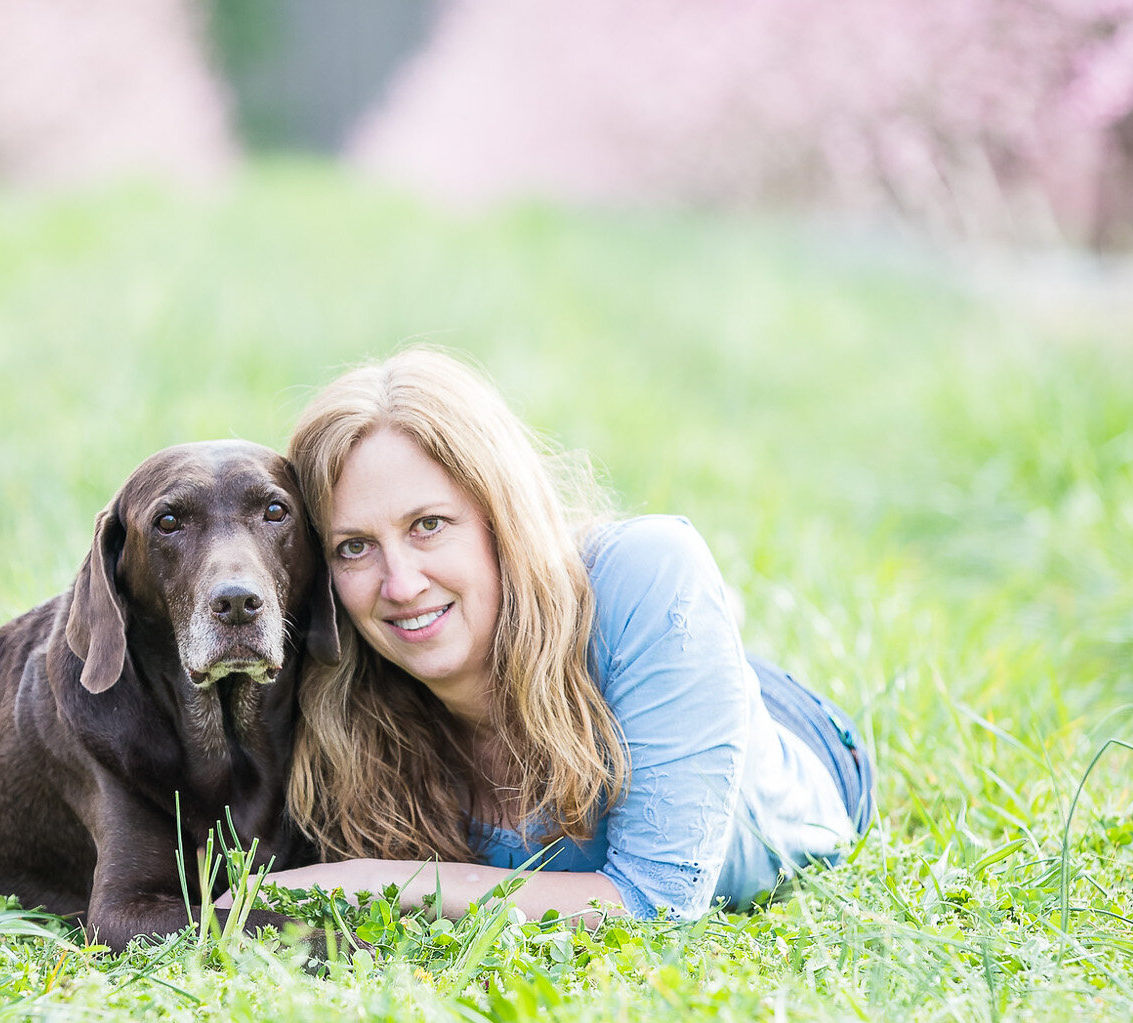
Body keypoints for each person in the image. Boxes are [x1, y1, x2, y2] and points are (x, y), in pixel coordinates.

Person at [247, 347, 872, 925]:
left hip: (792, 743)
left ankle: (690, 635)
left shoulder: (652, 563)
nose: (401, 584)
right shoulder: (335, 679)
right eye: (354, 547)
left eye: (429, 525)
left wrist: (365, 880)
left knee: (648, 604)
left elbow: (658, 902)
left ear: (502, 516)